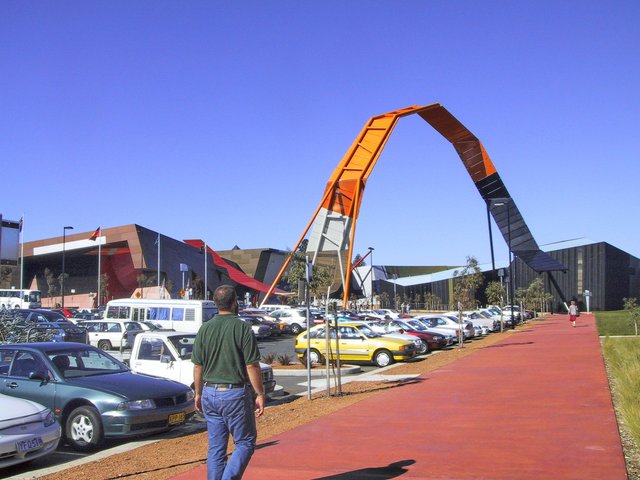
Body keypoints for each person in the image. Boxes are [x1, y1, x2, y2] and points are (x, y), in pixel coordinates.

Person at [192, 285, 265, 480]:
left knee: (216, 449)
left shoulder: (204, 329)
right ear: (234, 303)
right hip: (234, 394)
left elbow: (198, 366)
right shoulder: (242, 328)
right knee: (245, 442)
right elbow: (252, 366)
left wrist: (198, 393)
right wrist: (259, 393)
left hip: (209, 393)